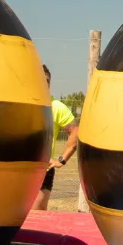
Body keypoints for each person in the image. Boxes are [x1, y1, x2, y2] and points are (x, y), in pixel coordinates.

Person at [31, 65, 80, 212]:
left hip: (42, 172)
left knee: (36, 216)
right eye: (39, 80)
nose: (43, 84)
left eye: (46, 81)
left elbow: (75, 131)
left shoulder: (56, 107)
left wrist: (62, 159)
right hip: (18, 173)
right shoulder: (22, 103)